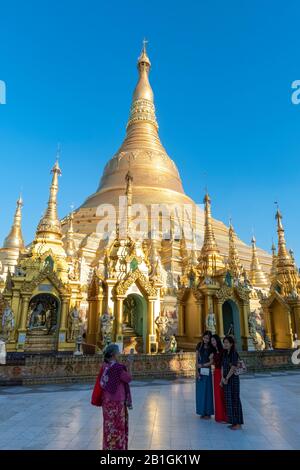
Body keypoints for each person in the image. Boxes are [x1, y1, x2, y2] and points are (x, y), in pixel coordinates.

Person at [100, 343, 132, 450]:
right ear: (113, 354)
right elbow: (128, 378)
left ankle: (108, 448)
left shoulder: (105, 365)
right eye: (118, 352)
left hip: (106, 401)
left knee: (108, 426)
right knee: (118, 427)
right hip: (117, 402)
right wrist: (130, 365)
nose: (120, 354)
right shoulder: (118, 368)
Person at [221, 335, 244, 430]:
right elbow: (222, 366)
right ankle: (233, 421)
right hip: (226, 379)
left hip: (233, 379)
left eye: (227, 342)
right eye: (224, 342)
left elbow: (234, 367)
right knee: (229, 400)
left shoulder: (234, 353)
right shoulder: (225, 353)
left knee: (235, 400)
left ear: (231, 344)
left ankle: (238, 423)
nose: (225, 344)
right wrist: (222, 378)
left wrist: (226, 378)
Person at [195, 331, 214, 419]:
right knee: (200, 392)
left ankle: (208, 412)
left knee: (208, 392)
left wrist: (202, 365)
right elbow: (196, 359)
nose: (206, 339)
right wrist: (197, 371)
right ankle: (202, 411)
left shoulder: (211, 348)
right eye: (205, 337)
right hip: (200, 371)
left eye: (208, 338)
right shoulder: (199, 345)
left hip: (207, 371)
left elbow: (211, 362)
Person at [210, 334, 227, 423]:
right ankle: (219, 416)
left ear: (217, 340)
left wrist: (223, 376)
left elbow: (224, 364)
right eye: (212, 341)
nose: (213, 342)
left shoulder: (223, 351)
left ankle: (225, 416)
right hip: (216, 373)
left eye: (214, 340)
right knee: (217, 395)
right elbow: (213, 363)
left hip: (222, 373)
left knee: (223, 394)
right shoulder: (214, 352)